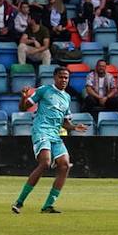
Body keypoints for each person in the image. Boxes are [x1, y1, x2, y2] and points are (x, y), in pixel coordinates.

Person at [13, 66, 88, 214]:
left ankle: (48, 205)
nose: (64, 80)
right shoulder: (44, 90)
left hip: (55, 134)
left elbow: (64, 122)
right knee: (45, 163)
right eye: (61, 77)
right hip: (41, 130)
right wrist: (23, 97)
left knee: (65, 165)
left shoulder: (66, 98)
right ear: (55, 77)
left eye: (66, 77)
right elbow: (23, 108)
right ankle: (19, 202)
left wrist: (74, 127)